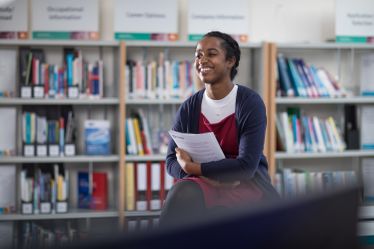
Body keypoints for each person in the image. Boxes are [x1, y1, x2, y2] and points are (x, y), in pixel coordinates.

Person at [159, 31, 278, 227]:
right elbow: (171, 162)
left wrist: (193, 168)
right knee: (181, 193)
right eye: (198, 55)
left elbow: (246, 167)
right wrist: (206, 176)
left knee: (219, 217)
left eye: (211, 53)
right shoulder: (189, 107)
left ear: (230, 61)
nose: (202, 60)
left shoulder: (250, 103)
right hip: (204, 183)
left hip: (244, 184)